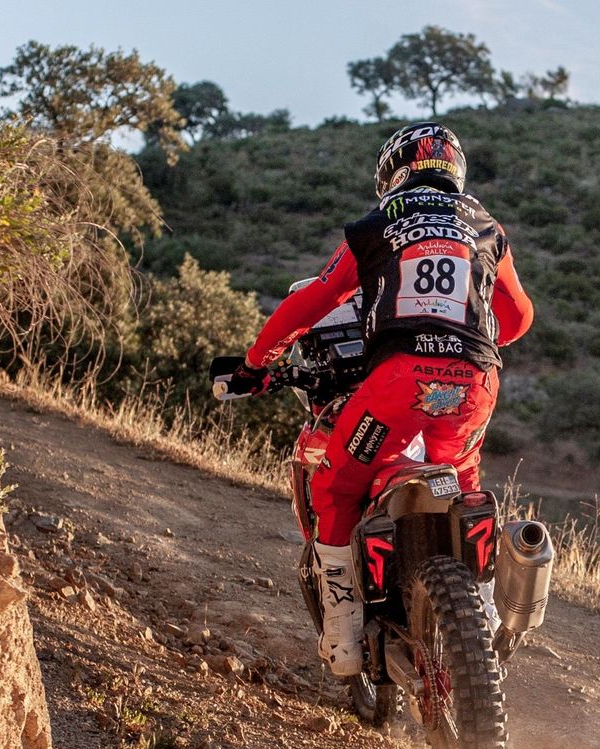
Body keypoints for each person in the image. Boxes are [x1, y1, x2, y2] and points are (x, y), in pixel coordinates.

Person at [218, 122, 533, 676]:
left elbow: (315, 300)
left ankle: (342, 633)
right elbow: (520, 316)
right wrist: (471, 342)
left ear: (392, 173)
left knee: (335, 485)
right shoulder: (486, 224)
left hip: (398, 383)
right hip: (475, 381)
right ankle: (481, 613)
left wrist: (255, 363)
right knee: (461, 482)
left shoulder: (377, 224)